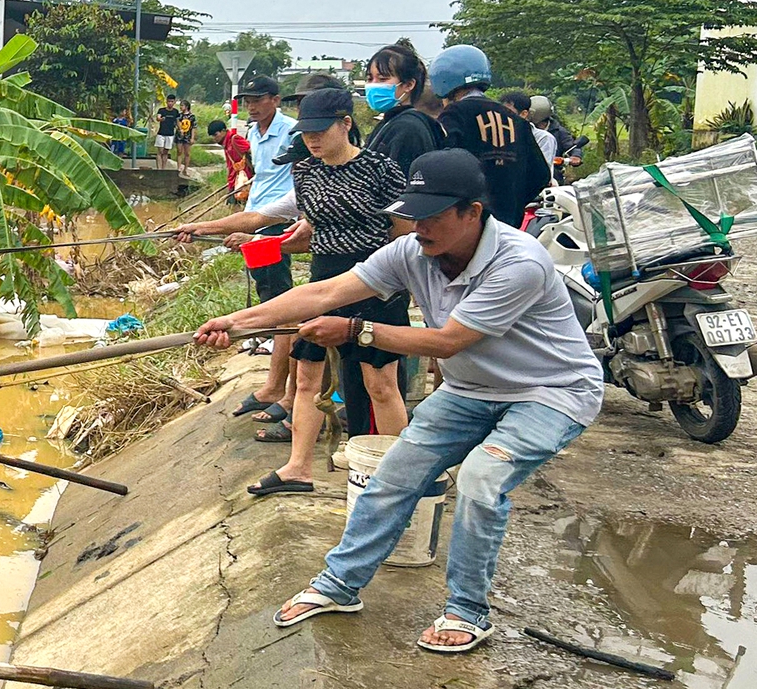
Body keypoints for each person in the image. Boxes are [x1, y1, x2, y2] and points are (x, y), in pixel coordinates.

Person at [195, 149, 604, 654]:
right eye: (413, 213)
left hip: (550, 393)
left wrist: (356, 330)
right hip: (470, 391)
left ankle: (468, 610)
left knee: (482, 478)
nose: (418, 226)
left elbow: (448, 341)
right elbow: (326, 292)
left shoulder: (518, 262)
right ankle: (340, 585)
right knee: (394, 473)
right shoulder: (413, 251)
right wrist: (238, 323)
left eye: (432, 215)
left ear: (472, 212)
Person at [181, 85, 411, 494]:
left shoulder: (382, 170)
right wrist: (214, 230)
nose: (313, 139)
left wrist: (389, 281)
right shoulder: (306, 172)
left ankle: (397, 478)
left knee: (380, 383)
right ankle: (297, 469)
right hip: (324, 278)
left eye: (321, 130)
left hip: (376, 282)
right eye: (307, 133)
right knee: (307, 378)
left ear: (345, 124)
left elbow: (404, 235)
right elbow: (302, 231)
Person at [208, 73, 299, 429]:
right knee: (268, 296)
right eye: (247, 100)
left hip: (276, 223)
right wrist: (241, 219)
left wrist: (261, 230)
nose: (252, 106)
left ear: (275, 100)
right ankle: (274, 385)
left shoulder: (293, 132)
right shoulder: (253, 135)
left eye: (259, 99)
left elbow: (297, 186)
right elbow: (260, 177)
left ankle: (278, 387)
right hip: (257, 218)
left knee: (280, 304)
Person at [430, 46, 550, 228]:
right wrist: (513, 204)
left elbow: (442, 168)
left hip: (467, 228)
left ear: (443, 82)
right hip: (509, 227)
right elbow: (541, 175)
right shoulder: (517, 121)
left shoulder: (455, 115)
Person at [362, 40, 444, 177]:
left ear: (408, 85)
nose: (373, 85)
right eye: (370, 79)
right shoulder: (392, 121)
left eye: (382, 79)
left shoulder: (407, 128)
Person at [527, 95, 581, 183]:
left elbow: (572, 146)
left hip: (553, 174)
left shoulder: (559, 131)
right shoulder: (525, 129)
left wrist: (575, 156)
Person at [153, 98, 182, 169]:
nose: (170, 103)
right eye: (169, 101)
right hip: (161, 133)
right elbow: (158, 117)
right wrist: (160, 119)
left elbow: (178, 121)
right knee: (160, 151)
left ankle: (163, 168)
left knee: (166, 152)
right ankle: (159, 169)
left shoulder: (175, 111)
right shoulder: (162, 110)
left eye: (172, 101)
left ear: (174, 102)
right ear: (166, 102)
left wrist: (180, 129)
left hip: (170, 134)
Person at [173, 100, 197, 169]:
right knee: (179, 151)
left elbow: (193, 127)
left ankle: (185, 168)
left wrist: (192, 137)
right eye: (180, 105)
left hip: (188, 136)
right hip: (179, 135)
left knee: (187, 153)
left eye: (182, 105)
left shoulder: (192, 116)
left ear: (186, 107)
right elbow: (177, 124)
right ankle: (179, 167)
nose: (180, 107)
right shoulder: (179, 115)